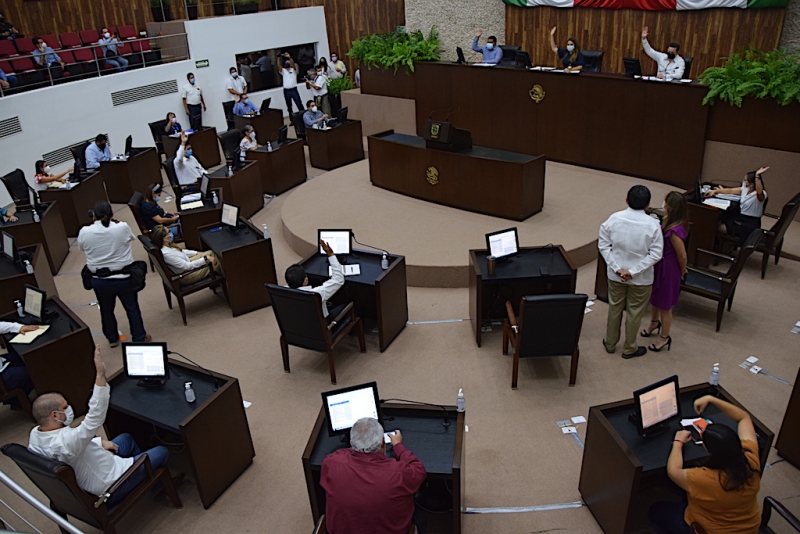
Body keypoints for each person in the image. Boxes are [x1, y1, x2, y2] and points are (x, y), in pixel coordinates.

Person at [29, 346, 171, 508]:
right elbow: (94, 417)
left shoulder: (35, 436)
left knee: (126, 439)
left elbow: (73, 449)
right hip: (112, 485)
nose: (69, 408)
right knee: (162, 451)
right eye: (64, 407)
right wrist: (100, 375)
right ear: (54, 415)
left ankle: (147, 477)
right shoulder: (67, 442)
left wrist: (98, 442)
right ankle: (156, 485)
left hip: (93, 468)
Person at [648, 395, 761, 534]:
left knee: (655, 510)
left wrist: (678, 443)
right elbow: (744, 417)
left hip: (709, 530)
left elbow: (673, 471)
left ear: (709, 450)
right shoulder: (751, 458)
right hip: (750, 529)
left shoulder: (704, 478)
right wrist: (711, 399)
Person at [320, 417, 427, 534]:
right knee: (420, 513)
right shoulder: (399, 474)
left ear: (351, 443)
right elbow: (419, 470)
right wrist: (398, 446)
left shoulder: (331, 463)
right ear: (383, 443)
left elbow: (340, 454)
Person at [599, 185, 664, 359]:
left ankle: (610, 342)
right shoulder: (653, 225)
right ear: (648, 204)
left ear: (627, 200)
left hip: (616, 276)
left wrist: (617, 268)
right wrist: (633, 272)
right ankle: (629, 348)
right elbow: (656, 254)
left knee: (615, 308)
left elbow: (604, 245)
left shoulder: (613, 219)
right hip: (641, 279)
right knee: (635, 312)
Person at [77, 201, 150, 346]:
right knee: (132, 308)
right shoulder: (122, 227)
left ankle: (112, 338)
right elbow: (130, 238)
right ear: (112, 214)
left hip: (100, 280)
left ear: (93, 216)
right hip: (124, 278)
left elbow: (81, 247)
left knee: (106, 309)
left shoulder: (84, 231)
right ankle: (139, 338)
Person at [642, 192, 688, 352]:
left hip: (669, 269)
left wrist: (683, 270)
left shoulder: (675, 231)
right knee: (655, 297)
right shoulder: (669, 221)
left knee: (665, 305)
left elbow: (682, 255)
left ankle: (664, 337)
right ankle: (654, 323)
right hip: (660, 265)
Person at [707, 166, 769, 246]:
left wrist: (757, 176)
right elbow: (731, 190)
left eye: (746, 181)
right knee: (720, 219)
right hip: (741, 217)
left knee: (720, 228)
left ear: (752, 184)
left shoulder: (761, 194)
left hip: (750, 223)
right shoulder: (745, 189)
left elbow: (759, 192)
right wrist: (716, 191)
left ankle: (721, 246)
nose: (744, 182)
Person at [284, 240, 344, 320]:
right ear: (305, 281)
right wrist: (330, 254)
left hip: (301, 322)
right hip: (324, 324)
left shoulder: (282, 292)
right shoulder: (316, 294)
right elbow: (339, 279)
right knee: (345, 306)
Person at [150, 225, 221, 285]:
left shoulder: (168, 245)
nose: (171, 234)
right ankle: (225, 276)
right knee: (213, 263)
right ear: (164, 238)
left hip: (186, 262)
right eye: (168, 232)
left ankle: (222, 272)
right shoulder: (167, 254)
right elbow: (187, 266)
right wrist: (205, 258)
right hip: (187, 275)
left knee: (210, 252)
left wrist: (196, 253)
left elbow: (182, 251)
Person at [0, 322, 38, 410]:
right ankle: (16, 401)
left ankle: (16, 400)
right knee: (32, 371)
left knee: (26, 358)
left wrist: (19, 327)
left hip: (2, 364)